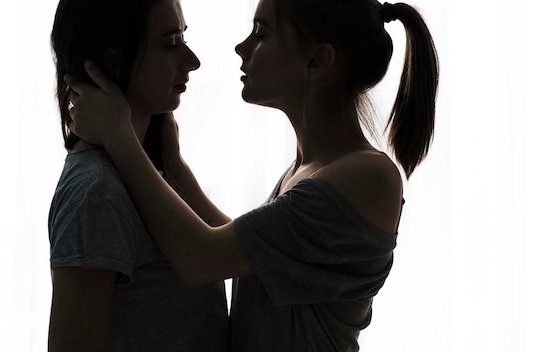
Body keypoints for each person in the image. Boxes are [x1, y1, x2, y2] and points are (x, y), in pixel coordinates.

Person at [66, 0, 439, 350]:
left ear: (317, 60)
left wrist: (120, 137)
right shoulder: (307, 170)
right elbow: (250, 254)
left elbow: (203, 257)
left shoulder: (367, 177)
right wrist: (174, 167)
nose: (242, 48)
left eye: (261, 33)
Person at [47, 0, 229, 351]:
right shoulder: (96, 192)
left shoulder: (147, 177)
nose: (191, 61)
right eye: (170, 43)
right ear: (113, 58)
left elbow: (234, 252)